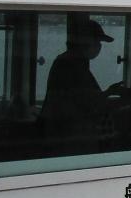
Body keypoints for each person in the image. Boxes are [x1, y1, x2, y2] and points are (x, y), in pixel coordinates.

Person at [40, 19, 125, 150]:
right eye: (97, 42)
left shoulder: (71, 62)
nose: (99, 47)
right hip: (72, 140)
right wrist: (120, 99)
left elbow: (86, 99)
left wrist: (109, 92)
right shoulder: (70, 65)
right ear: (85, 41)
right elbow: (88, 104)